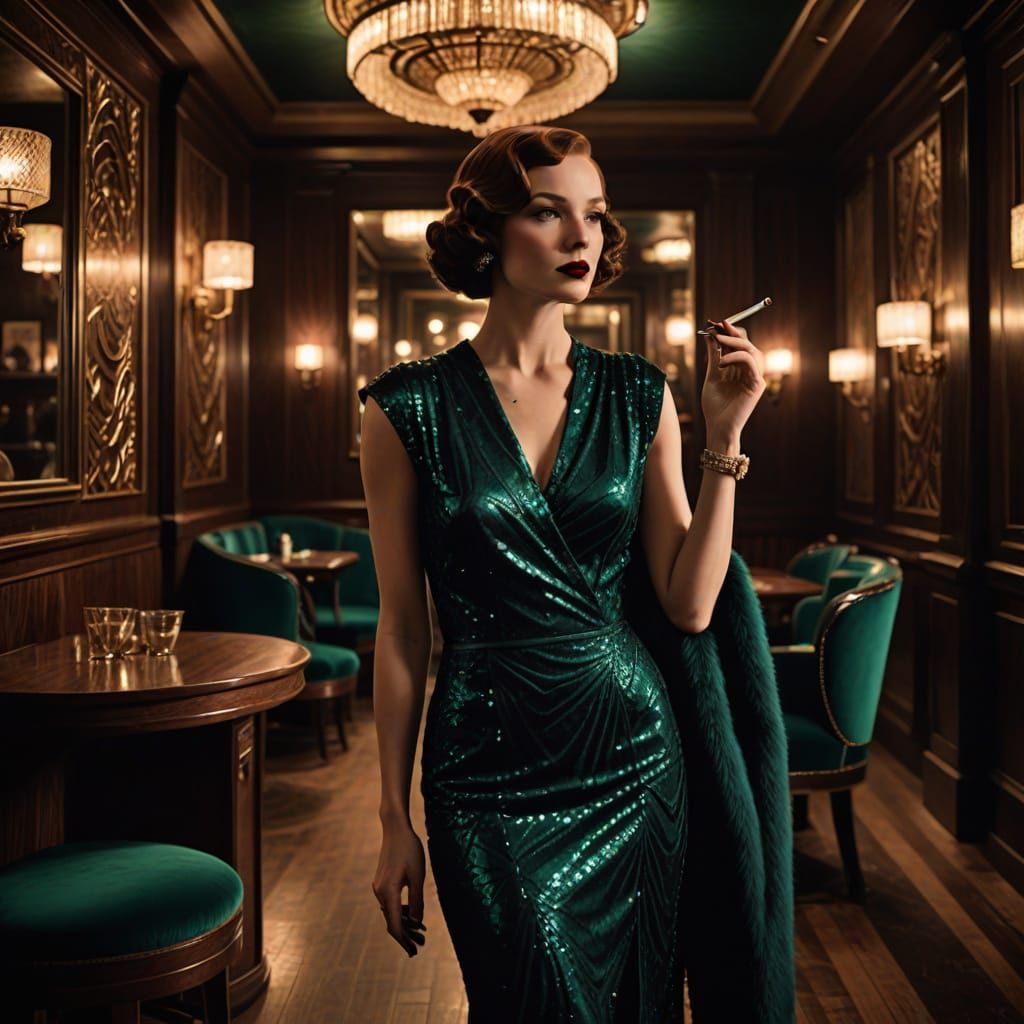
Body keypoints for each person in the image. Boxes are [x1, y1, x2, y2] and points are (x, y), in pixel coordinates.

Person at [359, 125, 771, 1023]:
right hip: (485, 765)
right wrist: (393, 819)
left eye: (593, 214)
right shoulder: (406, 407)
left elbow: (690, 604)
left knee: (641, 1002)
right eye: (549, 212)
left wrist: (726, 440)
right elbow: (399, 628)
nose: (581, 236)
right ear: (489, 233)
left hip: (632, 756)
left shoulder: (639, 393)